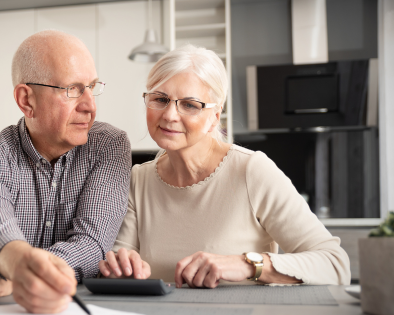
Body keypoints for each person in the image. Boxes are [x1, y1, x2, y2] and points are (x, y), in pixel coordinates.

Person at [98, 44, 351, 288]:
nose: (170, 115)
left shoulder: (252, 171)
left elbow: (335, 264)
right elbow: (121, 263)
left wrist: (247, 265)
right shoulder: (138, 180)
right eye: (160, 99)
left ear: (214, 117)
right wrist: (119, 267)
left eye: (189, 104)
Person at [0, 30, 131, 313]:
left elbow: (93, 245)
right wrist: (14, 264)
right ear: (26, 100)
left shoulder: (108, 146)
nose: (90, 106)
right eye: (73, 89)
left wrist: (8, 273)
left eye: (92, 86)